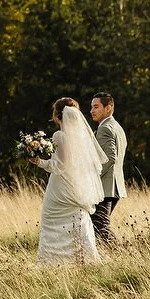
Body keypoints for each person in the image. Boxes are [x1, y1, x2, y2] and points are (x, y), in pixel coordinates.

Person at [29, 97, 104, 265]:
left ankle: (52, 262)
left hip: (60, 188)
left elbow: (60, 166)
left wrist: (40, 162)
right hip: (75, 187)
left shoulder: (59, 136)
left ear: (57, 115)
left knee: (51, 221)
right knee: (78, 218)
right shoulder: (81, 139)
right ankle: (84, 258)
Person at [89, 92, 127, 245]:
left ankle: (121, 254)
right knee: (97, 226)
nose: (92, 110)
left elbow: (111, 158)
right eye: (91, 107)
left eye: (96, 107)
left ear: (108, 108)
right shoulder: (117, 127)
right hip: (114, 186)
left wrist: (94, 176)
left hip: (105, 187)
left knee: (100, 228)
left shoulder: (105, 128)